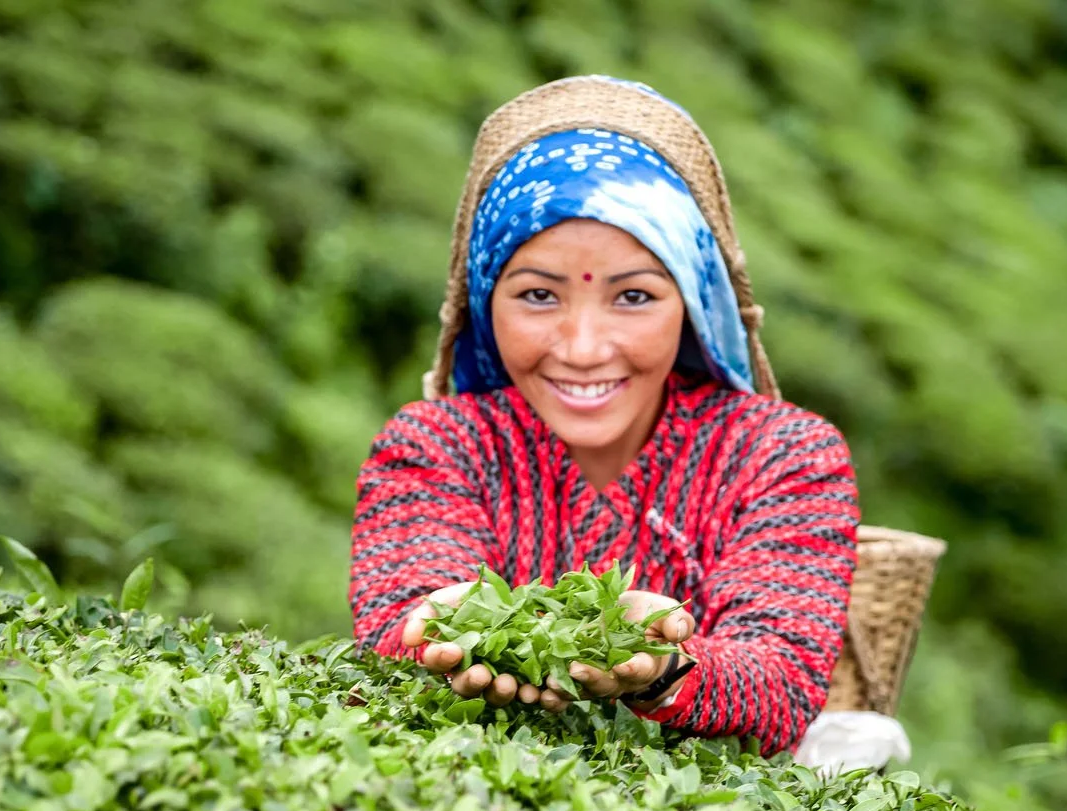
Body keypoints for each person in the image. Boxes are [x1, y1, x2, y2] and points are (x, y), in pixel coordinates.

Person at [348, 76, 859, 757]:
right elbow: (396, 625)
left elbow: (783, 681)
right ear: (482, 299)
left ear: (694, 303)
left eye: (634, 297)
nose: (584, 349)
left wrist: (665, 669)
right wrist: (434, 632)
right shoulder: (437, 446)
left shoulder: (784, 456)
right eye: (537, 294)